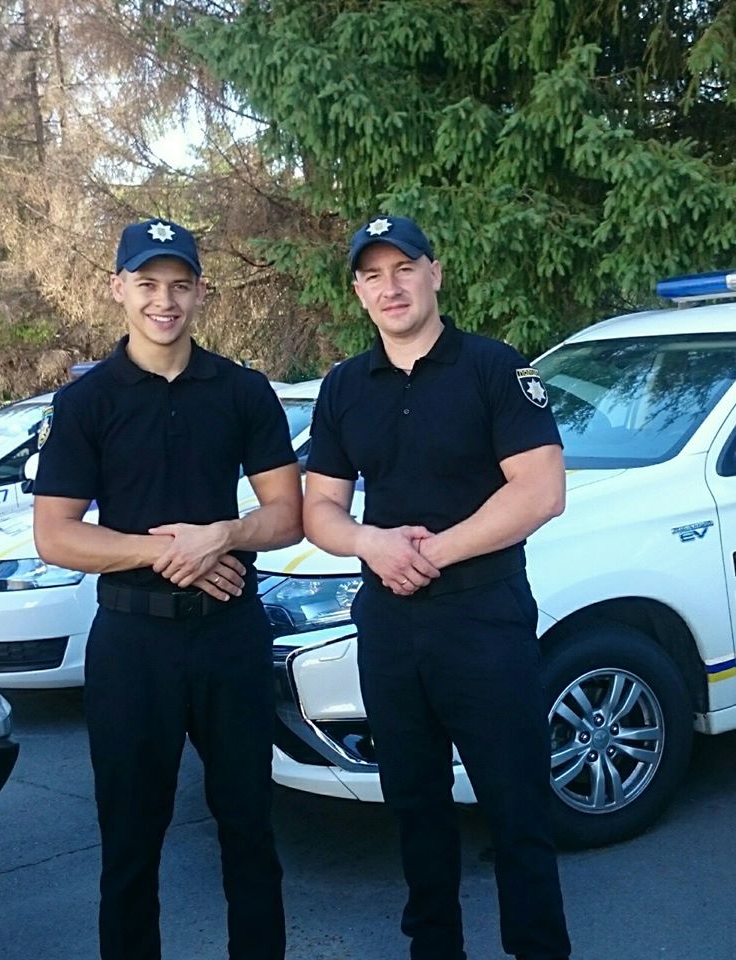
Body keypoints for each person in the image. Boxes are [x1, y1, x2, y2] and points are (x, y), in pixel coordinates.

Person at [32, 217, 302, 960]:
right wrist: (169, 551)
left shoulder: (243, 390)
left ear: (200, 293)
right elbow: (55, 534)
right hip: (132, 644)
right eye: (147, 284)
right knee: (130, 843)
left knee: (249, 829)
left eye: (180, 285)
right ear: (117, 289)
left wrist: (224, 534)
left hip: (229, 634)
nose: (164, 301)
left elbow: (287, 515)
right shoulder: (86, 403)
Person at [303, 214, 572, 960]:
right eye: (372, 275)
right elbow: (319, 509)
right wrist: (370, 543)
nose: (390, 288)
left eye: (403, 269)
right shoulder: (344, 387)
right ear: (359, 292)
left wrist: (431, 553)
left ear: (435, 273)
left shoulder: (493, 368)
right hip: (388, 625)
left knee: (516, 805)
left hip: (483, 617)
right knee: (415, 807)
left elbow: (541, 490)